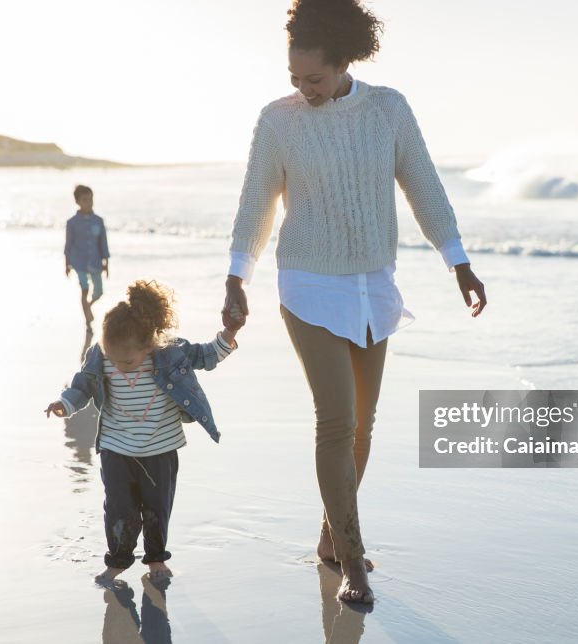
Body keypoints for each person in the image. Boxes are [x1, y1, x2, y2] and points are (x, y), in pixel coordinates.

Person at [222, 0, 487, 604]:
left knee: (363, 426)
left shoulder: (388, 109)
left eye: (314, 78)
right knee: (336, 421)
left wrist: (459, 264)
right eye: (295, 79)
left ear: (345, 61)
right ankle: (353, 563)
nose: (304, 89)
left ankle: (328, 535)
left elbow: (423, 184)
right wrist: (238, 277)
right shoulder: (278, 121)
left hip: (374, 285)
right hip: (308, 283)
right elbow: (256, 202)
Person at [45, 280, 242, 588]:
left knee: (156, 509)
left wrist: (229, 334)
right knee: (119, 508)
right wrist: (65, 404)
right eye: (113, 359)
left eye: (127, 362)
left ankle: (156, 559)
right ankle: (118, 562)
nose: (120, 368)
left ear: (148, 346)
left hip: (160, 449)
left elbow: (206, 356)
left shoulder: (168, 353)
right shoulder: (102, 355)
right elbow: (82, 384)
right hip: (116, 448)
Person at [65, 184, 110, 326]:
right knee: (84, 288)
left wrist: (106, 263)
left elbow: (103, 243)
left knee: (99, 292)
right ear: (77, 202)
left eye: (91, 199)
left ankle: (88, 306)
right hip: (79, 262)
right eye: (85, 200)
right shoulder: (72, 223)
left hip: (96, 262)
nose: (88, 203)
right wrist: (67, 264)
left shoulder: (98, 221)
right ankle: (87, 321)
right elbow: (68, 245)